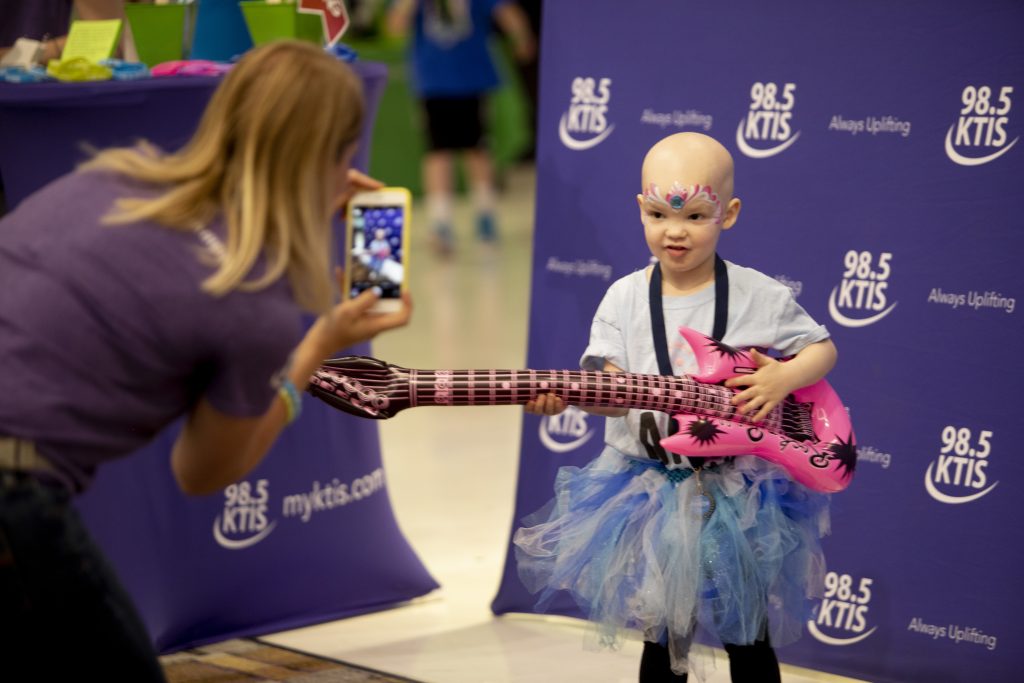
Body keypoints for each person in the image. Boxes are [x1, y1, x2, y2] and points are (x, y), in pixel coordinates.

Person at [0, 40, 411, 680]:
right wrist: (318, 346)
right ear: (335, 162)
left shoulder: (110, 177)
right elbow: (201, 471)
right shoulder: (249, 300)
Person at [514, 132, 838, 682]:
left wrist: (783, 376)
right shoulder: (623, 297)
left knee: (747, 635)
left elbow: (822, 348)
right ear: (641, 208)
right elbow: (609, 393)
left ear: (728, 214)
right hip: (646, 490)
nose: (675, 230)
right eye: (660, 213)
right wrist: (573, 395)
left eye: (695, 214)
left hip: (738, 492)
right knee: (662, 638)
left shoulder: (759, 294)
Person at [387, 0, 535, 253]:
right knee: (437, 151)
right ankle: (441, 220)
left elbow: (506, 11)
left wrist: (521, 37)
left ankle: (485, 213)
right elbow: (395, 28)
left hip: (472, 78)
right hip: (433, 81)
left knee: (477, 148)